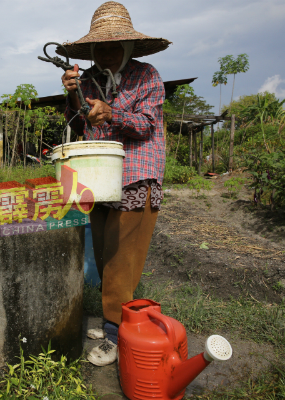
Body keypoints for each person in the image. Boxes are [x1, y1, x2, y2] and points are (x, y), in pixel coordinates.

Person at [59, 1, 171, 366]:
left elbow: (144, 124)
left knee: (123, 260)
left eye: (114, 46)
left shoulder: (147, 76)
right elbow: (79, 124)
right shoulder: (88, 79)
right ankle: (113, 321)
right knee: (106, 255)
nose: (106, 53)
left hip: (137, 176)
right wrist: (72, 94)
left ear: (127, 48)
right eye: (100, 47)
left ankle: (116, 336)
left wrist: (112, 112)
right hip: (101, 177)